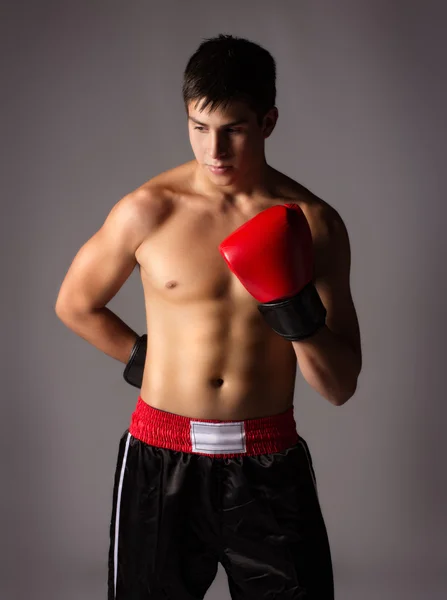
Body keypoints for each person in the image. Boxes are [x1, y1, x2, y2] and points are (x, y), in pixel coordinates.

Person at [55, 34, 362, 600]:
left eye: (234, 129)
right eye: (199, 127)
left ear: (268, 121)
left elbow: (340, 386)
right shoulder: (149, 209)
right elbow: (75, 304)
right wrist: (146, 360)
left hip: (268, 460)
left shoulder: (315, 224)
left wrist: (292, 312)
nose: (214, 150)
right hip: (160, 458)